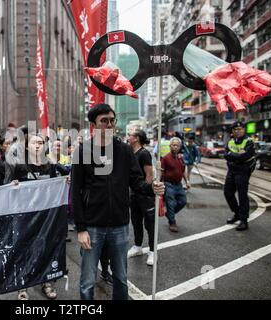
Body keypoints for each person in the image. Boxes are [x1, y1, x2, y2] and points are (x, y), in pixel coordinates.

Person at [71, 104, 165, 300]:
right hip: (92, 226)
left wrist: (151, 187)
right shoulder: (83, 151)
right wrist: (81, 229)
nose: (109, 124)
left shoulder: (124, 150)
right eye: (104, 121)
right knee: (88, 280)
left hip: (120, 226)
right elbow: (76, 192)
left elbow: (137, 181)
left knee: (121, 278)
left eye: (112, 120)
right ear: (93, 125)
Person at [5, 133, 60, 301]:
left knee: (45, 248)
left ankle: (46, 282)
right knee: (23, 249)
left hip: (45, 216)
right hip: (24, 215)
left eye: (41, 143)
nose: (38, 145)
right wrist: (12, 185)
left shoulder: (49, 166)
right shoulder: (19, 165)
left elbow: (54, 186)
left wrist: (64, 182)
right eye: (34, 143)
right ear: (27, 147)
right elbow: (6, 187)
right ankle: (23, 285)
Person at [127, 129, 156, 266]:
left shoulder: (144, 153)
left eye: (130, 135)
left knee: (150, 224)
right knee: (136, 221)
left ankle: (152, 251)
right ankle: (138, 246)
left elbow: (149, 175)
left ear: (137, 138)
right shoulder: (131, 152)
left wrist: (147, 192)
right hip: (133, 194)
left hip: (144, 195)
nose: (128, 137)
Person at [224, 121, 256, 231]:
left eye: (240, 129)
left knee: (242, 196)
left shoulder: (249, 142)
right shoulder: (230, 142)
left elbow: (246, 156)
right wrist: (237, 156)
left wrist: (233, 156)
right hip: (232, 171)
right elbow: (226, 155)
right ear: (232, 131)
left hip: (243, 172)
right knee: (228, 193)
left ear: (244, 130)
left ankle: (244, 220)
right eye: (235, 129)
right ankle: (237, 213)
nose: (238, 131)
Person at [161, 137, 188, 233]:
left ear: (180, 147)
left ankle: (169, 214)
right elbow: (161, 172)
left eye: (177, 145)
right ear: (170, 146)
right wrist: (160, 184)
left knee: (183, 201)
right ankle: (172, 222)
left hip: (179, 185)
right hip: (169, 184)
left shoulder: (181, 158)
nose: (175, 147)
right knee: (171, 204)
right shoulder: (165, 158)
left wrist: (187, 181)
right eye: (173, 145)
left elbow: (183, 170)